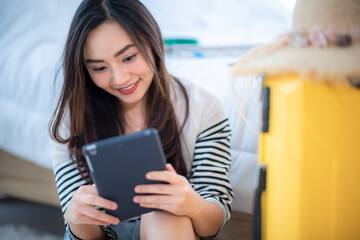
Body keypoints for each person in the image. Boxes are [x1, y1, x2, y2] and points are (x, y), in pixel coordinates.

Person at [50, 0, 233, 239]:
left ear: (152, 40)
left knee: (163, 211)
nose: (119, 78)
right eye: (99, 68)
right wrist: (77, 218)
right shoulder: (70, 120)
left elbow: (213, 223)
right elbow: (84, 236)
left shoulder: (203, 107)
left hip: (171, 231)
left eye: (128, 57)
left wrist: (192, 204)